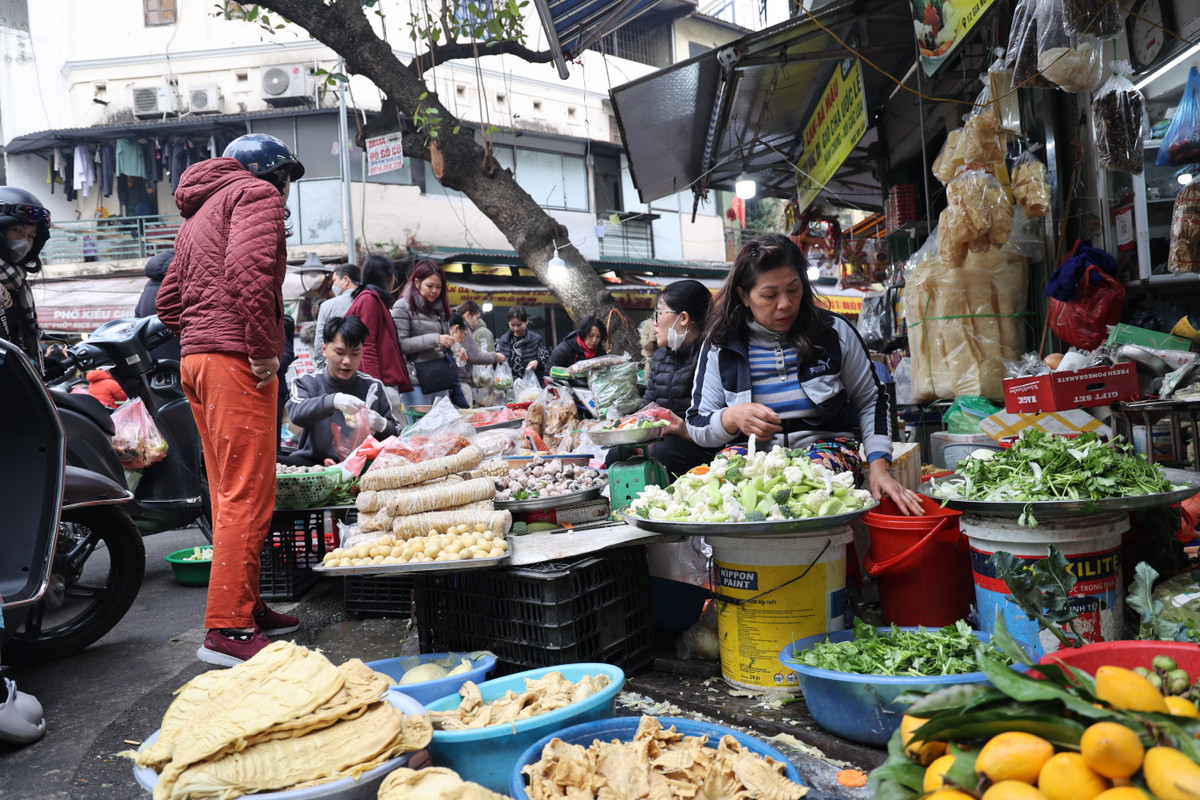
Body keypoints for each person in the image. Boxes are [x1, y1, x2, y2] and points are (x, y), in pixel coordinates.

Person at [156, 132, 306, 666]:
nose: (286, 197)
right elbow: (250, 273)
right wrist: (265, 349)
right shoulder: (256, 196)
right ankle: (228, 630)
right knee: (247, 492)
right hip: (235, 360)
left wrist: (201, 333)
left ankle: (245, 604)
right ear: (276, 175)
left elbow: (169, 300)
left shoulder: (200, 212)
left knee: (226, 493)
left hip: (197, 361)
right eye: (287, 183)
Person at [686, 233, 922, 515]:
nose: (785, 304)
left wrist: (879, 466)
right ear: (743, 296)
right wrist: (730, 417)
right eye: (769, 295)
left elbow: (872, 399)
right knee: (723, 493)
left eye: (794, 289)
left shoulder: (834, 331)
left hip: (828, 449)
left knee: (813, 484)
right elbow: (698, 423)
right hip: (748, 453)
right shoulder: (721, 345)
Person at [283, 315, 400, 466]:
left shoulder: (373, 387)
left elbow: (398, 433)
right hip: (314, 465)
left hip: (362, 465)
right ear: (324, 349)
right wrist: (333, 401)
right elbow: (297, 414)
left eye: (355, 353)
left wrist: (382, 424)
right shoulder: (306, 382)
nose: (347, 361)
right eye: (340, 352)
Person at [638, 280, 717, 477]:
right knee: (617, 454)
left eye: (660, 313)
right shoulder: (660, 357)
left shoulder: (713, 355)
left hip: (706, 446)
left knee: (666, 450)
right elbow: (648, 406)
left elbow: (722, 421)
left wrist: (685, 431)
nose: (655, 323)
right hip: (669, 442)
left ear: (683, 318)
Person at [347, 255, 411, 421]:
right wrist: (375, 385)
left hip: (380, 380)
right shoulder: (369, 299)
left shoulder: (369, 298)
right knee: (394, 435)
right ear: (387, 277)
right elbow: (367, 345)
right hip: (380, 381)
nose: (395, 280)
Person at [0, 187, 52, 377]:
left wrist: (36, 364)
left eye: (30, 235)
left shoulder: (17, 285)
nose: (25, 242)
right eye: (17, 231)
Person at [392, 260, 454, 408]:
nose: (434, 291)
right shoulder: (402, 306)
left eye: (438, 287)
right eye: (430, 286)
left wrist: (456, 348)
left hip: (439, 376)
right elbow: (401, 345)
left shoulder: (440, 309)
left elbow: (444, 343)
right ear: (417, 282)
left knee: (444, 426)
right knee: (420, 427)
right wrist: (436, 339)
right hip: (414, 379)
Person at [448, 312, 504, 407]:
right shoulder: (450, 350)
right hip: (461, 384)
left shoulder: (452, 348)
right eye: (464, 336)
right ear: (456, 329)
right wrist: (496, 357)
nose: (463, 341)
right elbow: (475, 356)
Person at [134, 248, 181, 361]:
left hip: (154, 355)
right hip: (178, 353)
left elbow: (138, 316)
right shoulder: (177, 282)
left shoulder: (149, 285)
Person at [313, 263, 360, 369]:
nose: (332, 285)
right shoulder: (372, 302)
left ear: (346, 280)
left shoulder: (327, 306)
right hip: (365, 366)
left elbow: (320, 340)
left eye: (334, 281)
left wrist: (322, 367)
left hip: (336, 368)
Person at [496, 305, 550, 384]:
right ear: (508, 323)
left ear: (526, 322)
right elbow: (498, 363)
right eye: (512, 325)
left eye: (519, 325)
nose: (516, 328)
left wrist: (537, 362)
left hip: (532, 387)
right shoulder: (503, 341)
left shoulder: (536, 339)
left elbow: (546, 360)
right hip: (510, 386)